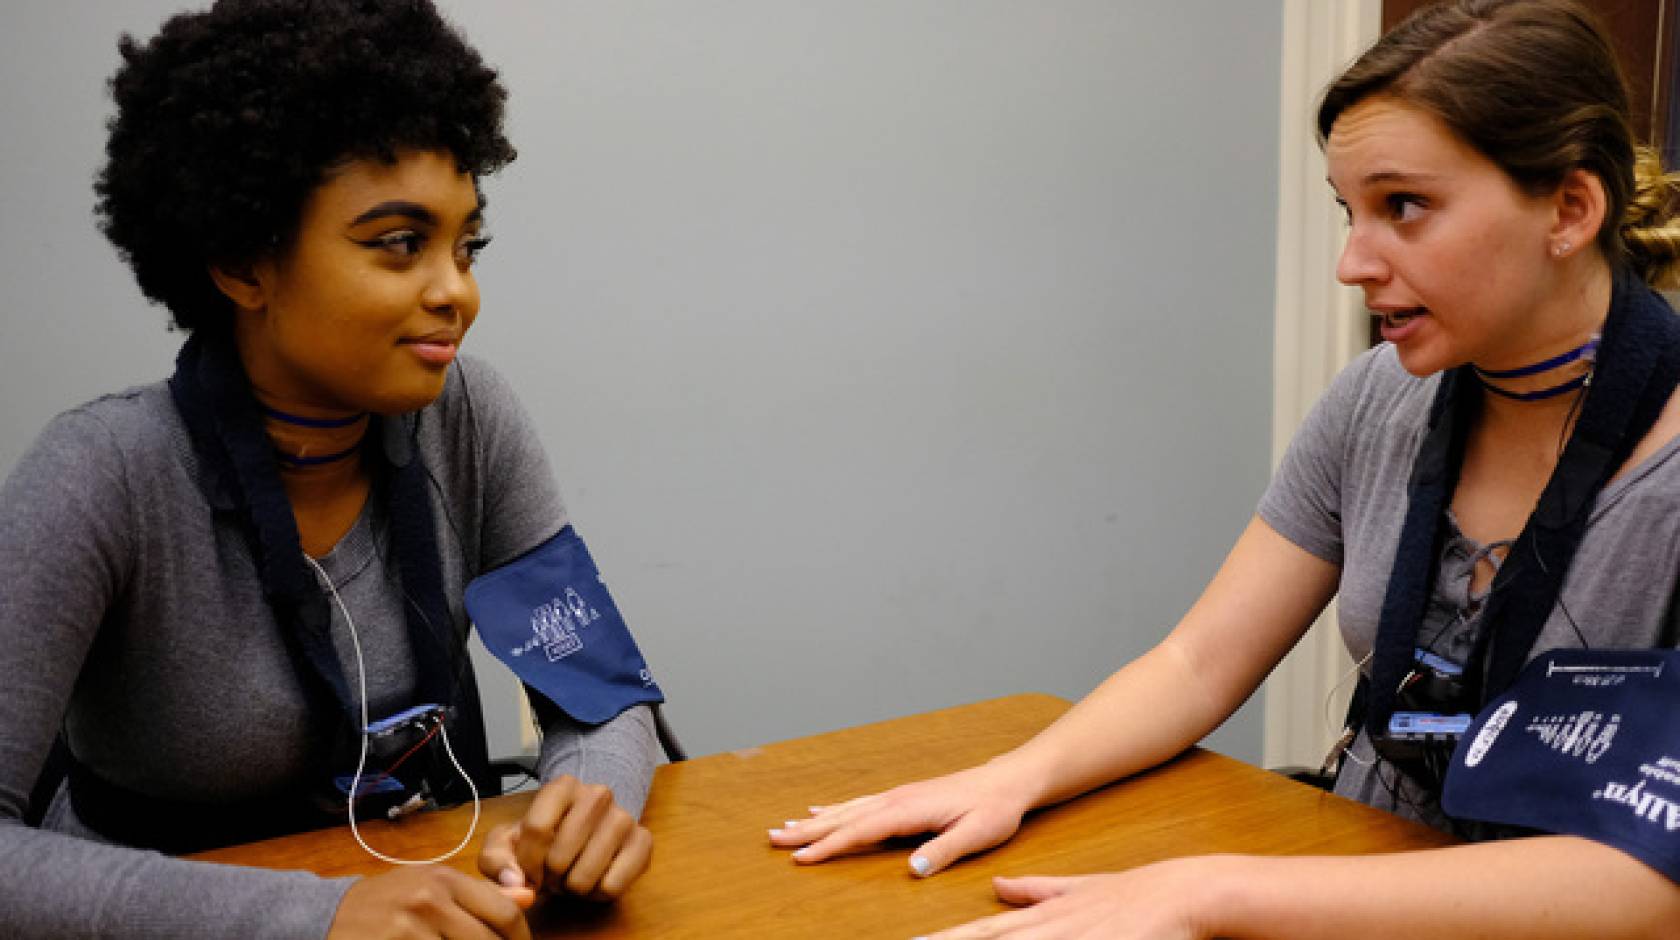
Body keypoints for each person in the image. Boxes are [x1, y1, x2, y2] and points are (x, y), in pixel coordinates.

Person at [771, 1, 1680, 935]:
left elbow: (1657, 894)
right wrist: (1008, 780)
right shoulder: (1376, 399)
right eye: (1348, 210)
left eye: (1404, 206)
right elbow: (1200, 662)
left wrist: (1204, 891)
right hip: (1351, 874)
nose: (1351, 263)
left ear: (1570, 209)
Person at [0, 2, 665, 937]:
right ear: (242, 261)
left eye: (466, 244)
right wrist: (313, 918)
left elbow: (598, 701)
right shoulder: (101, 477)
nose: (456, 291)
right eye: (400, 243)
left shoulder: (470, 416)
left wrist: (585, 810)